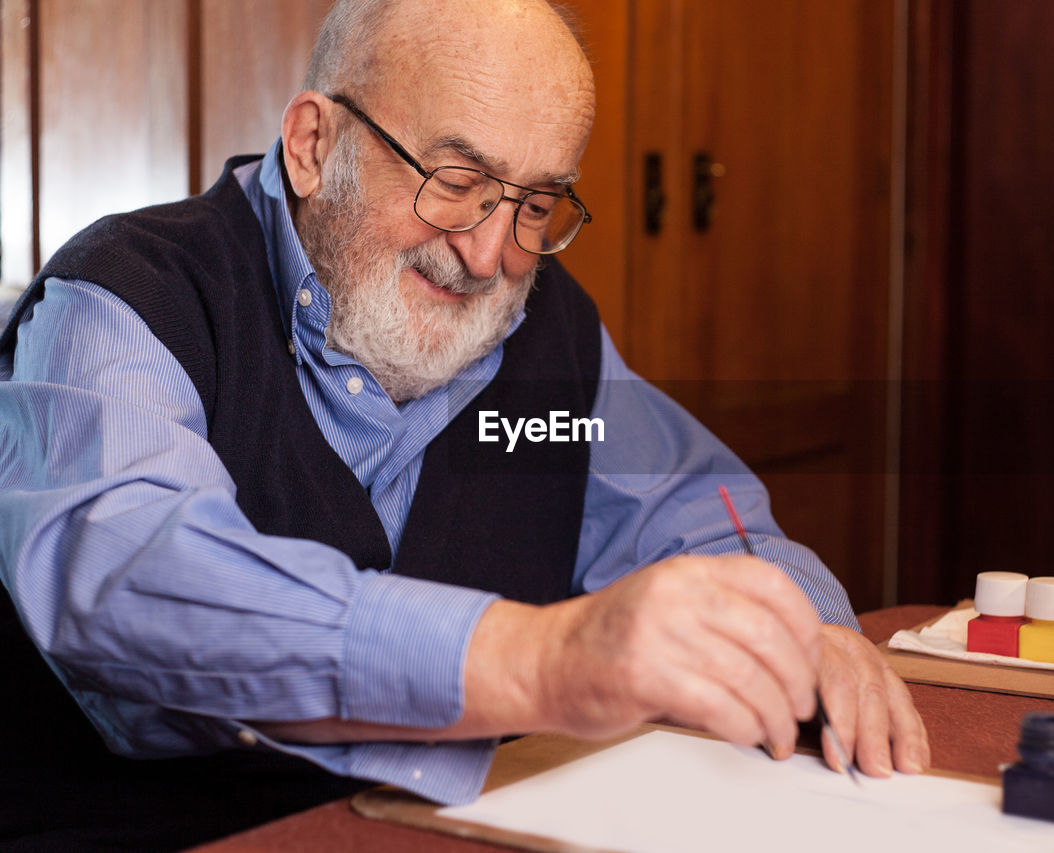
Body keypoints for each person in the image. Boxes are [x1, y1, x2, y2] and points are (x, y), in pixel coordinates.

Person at [0, 0, 928, 848]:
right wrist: (549, 659)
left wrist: (804, 627)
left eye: (534, 204)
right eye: (455, 179)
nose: (488, 256)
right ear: (314, 143)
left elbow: (683, 505)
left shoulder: (547, 337)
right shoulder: (130, 299)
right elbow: (137, 583)